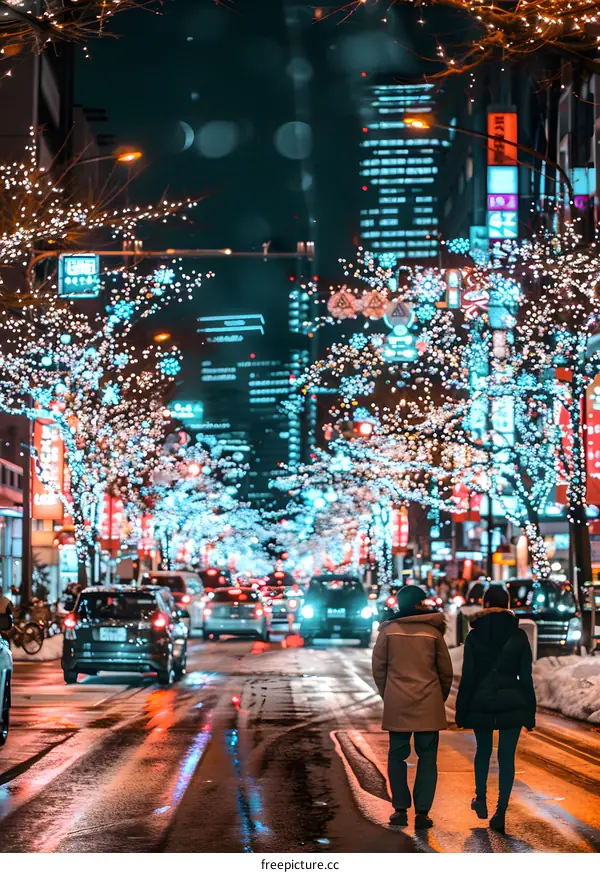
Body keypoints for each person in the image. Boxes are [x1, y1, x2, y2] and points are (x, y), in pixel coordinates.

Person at [372, 584, 453, 829]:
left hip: (398, 704)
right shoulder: (433, 633)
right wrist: (438, 697)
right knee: (427, 758)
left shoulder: (388, 631)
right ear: (418, 604)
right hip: (428, 703)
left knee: (397, 756)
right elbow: (445, 672)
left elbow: (379, 669)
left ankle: (399, 808)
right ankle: (423, 812)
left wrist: (389, 695)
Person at [455, 584, 536, 833]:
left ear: (486, 605)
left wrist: (461, 709)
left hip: (481, 702)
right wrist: (530, 711)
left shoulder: (474, 635)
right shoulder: (518, 636)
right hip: (512, 703)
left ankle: (480, 798)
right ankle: (501, 809)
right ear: (509, 605)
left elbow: (468, 676)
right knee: (506, 757)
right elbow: (526, 677)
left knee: (483, 751)